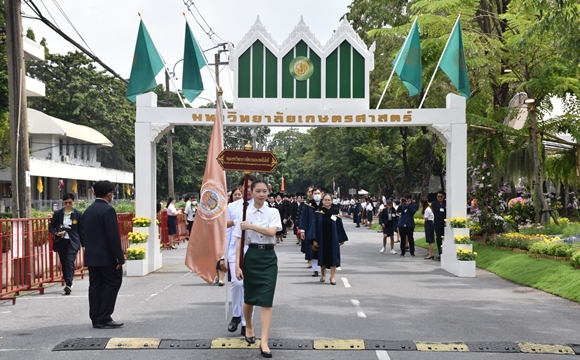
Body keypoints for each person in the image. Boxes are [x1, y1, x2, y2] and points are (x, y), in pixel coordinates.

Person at [234, 179, 282, 358]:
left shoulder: (273, 212)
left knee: (267, 300)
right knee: (249, 298)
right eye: (258, 191)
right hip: (252, 256)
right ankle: (249, 326)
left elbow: (272, 232)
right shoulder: (244, 213)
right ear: (251, 193)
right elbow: (239, 240)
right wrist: (238, 265)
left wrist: (251, 226)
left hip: (268, 257)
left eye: (265, 191)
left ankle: (264, 342)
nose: (262, 195)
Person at [81, 180, 125, 329]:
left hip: (92, 255)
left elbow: (82, 234)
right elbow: (112, 236)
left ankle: (95, 317)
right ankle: (104, 316)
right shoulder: (108, 210)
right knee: (112, 283)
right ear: (109, 194)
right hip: (107, 257)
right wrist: (119, 257)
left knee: (95, 285)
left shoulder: (88, 211)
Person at [225, 176, 256, 336]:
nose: (249, 190)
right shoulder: (232, 206)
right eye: (246, 186)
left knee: (249, 286)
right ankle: (236, 315)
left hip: (253, 249)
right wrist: (223, 255)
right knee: (237, 283)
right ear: (240, 188)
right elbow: (227, 229)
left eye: (252, 187)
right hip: (234, 250)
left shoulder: (261, 207)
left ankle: (246, 322)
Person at [50, 192, 83, 295]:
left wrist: (84, 244)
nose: (68, 204)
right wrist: (56, 233)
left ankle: (68, 283)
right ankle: (68, 281)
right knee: (64, 262)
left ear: (73, 202)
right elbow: (51, 227)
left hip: (73, 241)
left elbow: (82, 230)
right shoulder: (58, 213)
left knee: (69, 260)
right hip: (61, 241)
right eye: (65, 203)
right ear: (63, 203)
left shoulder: (78, 214)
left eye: (70, 202)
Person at [313, 194, 348, 284]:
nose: (327, 201)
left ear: (332, 201)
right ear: (322, 201)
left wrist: (341, 238)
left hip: (333, 239)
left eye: (329, 200)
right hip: (322, 238)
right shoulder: (318, 213)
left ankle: (332, 277)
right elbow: (314, 227)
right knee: (323, 257)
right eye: (325, 200)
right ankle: (323, 274)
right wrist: (315, 239)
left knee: (334, 258)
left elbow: (339, 226)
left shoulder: (335, 212)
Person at [300, 187, 322, 276]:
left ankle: (323, 268)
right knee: (313, 250)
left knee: (322, 250)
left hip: (322, 230)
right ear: (312, 195)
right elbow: (304, 218)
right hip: (311, 230)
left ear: (321, 194)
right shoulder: (308, 205)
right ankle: (315, 269)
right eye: (315, 193)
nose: (317, 195)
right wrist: (302, 230)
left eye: (318, 193)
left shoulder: (324, 205)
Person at [432, 191, 446, 260]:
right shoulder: (434, 204)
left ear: (444, 197)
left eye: (441, 197)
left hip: (445, 224)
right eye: (438, 197)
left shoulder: (446, 203)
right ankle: (440, 253)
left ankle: (446, 252)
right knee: (439, 238)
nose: (440, 198)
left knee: (445, 238)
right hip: (437, 224)